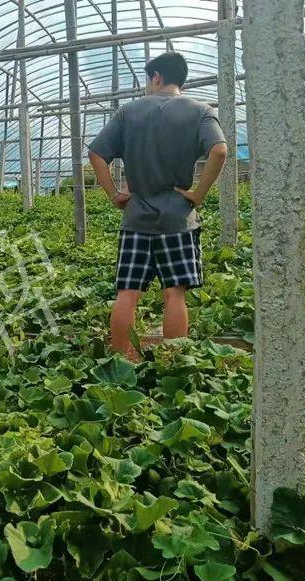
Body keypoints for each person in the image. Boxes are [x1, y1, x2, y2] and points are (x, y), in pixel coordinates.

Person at [87, 51, 229, 359]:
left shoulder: (128, 112)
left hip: (136, 217)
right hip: (178, 218)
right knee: (174, 292)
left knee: (127, 292)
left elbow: (96, 154)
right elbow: (219, 151)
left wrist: (114, 194)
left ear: (157, 77)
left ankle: (122, 360)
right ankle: (172, 361)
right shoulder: (201, 110)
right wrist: (198, 194)